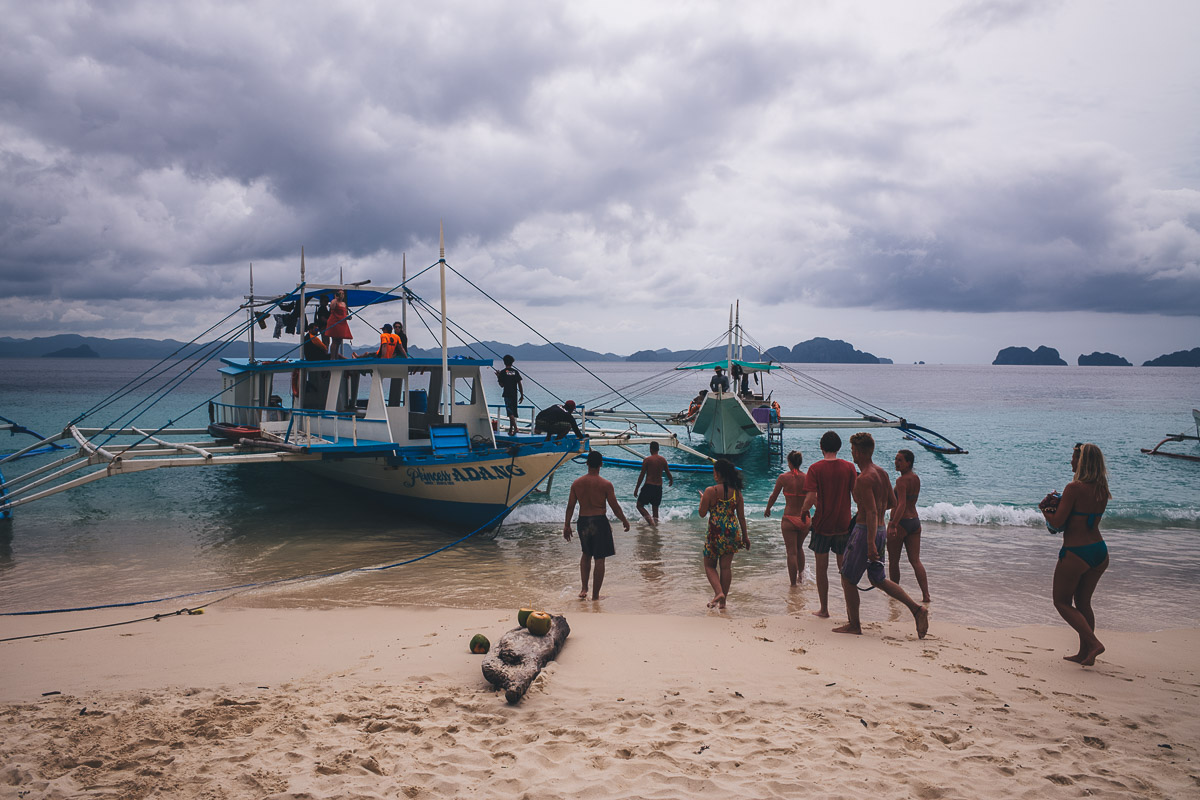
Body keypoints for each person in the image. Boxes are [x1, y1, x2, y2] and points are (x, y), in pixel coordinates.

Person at [834, 433, 928, 638]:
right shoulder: (882, 473)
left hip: (864, 533)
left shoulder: (864, 479)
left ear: (858, 452)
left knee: (847, 578)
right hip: (881, 531)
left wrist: (869, 544)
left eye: (852, 451)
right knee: (878, 579)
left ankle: (854, 624)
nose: (852, 455)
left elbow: (870, 512)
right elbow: (892, 504)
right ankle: (917, 609)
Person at [1039, 442, 1110, 666]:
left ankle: (1094, 643)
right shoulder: (1102, 488)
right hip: (1099, 551)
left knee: (1061, 601)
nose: (1071, 461)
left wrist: (1046, 511)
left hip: (1076, 552)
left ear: (1082, 462)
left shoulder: (1074, 488)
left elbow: (1058, 523)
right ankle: (1085, 653)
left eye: (1073, 458)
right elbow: (1083, 517)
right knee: (1083, 602)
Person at [798, 431, 858, 617]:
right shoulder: (849, 468)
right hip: (843, 524)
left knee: (821, 569)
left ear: (821, 447)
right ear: (839, 447)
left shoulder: (815, 469)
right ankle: (850, 612)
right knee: (844, 570)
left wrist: (803, 511)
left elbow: (810, 498)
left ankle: (824, 609)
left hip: (823, 525)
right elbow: (856, 495)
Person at [564, 450, 630, 600]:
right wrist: (624, 521)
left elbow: (570, 506)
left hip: (583, 521)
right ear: (601, 464)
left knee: (586, 554)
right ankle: (595, 596)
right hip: (599, 522)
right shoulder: (606, 484)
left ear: (587, 463)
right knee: (599, 559)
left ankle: (584, 588)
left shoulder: (577, 484)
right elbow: (615, 507)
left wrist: (566, 525)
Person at [698, 459, 749, 610]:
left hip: (715, 531)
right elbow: (741, 517)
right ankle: (723, 603)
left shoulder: (710, 491)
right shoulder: (737, 493)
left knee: (709, 566)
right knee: (726, 567)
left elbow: (701, 513)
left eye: (714, 471)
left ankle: (718, 592)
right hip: (732, 531)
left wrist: (702, 501)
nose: (713, 474)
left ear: (718, 473)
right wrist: (745, 537)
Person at [887, 449, 931, 603]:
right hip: (914, 521)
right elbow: (906, 502)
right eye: (896, 459)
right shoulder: (916, 478)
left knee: (894, 561)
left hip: (901, 523)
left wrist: (893, 524)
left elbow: (901, 504)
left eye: (900, 460)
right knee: (915, 561)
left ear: (909, 463)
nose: (896, 462)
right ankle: (926, 595)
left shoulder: (901, 481)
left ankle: (895, 593)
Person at [764, 450, 810, 586]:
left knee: (791, 552)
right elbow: (814, 498)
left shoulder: (783, 478)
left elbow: (773, 496)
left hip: (789, 518)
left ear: (789, 462)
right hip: (804, 519)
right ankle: (801, 579)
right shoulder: (807, 477)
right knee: (800, 548)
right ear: (800, 463)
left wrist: (768, 509)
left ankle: (793, 584)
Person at [634, 441, 674, 524]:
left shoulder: (647, 460)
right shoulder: (663, 460)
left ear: (650, 449)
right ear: (658, 449)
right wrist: (671, 480)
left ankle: (650, 522)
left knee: (639, 505)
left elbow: (641, 476)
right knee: (655, 509)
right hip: (658, 487)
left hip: (648, 486)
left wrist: (636, 488)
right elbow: (668, 473)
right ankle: (655, 526)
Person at [494, 355, 524, 435]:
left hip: (507, 394)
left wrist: (498, 376)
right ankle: (511, 430)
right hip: (514, 394)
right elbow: (519, 384)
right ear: (512, 362)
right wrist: (522, 395)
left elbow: (501, 385)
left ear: (504, 362)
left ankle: (516, 428)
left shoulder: (503, 372)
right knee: (513, 413)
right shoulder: (515, 372)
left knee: (510, 413)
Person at [325, 289, 352, 358]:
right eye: (340, 293)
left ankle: (336, 356)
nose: (341, 295)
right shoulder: (334, 301)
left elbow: (344, 313)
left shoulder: (344, 303)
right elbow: (332, 307)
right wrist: (336, 298)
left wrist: (348, 317)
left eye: (342, 294)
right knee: (334, 340)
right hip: (335, 322)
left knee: (339, 341)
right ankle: (332, 357)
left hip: (342, 322)